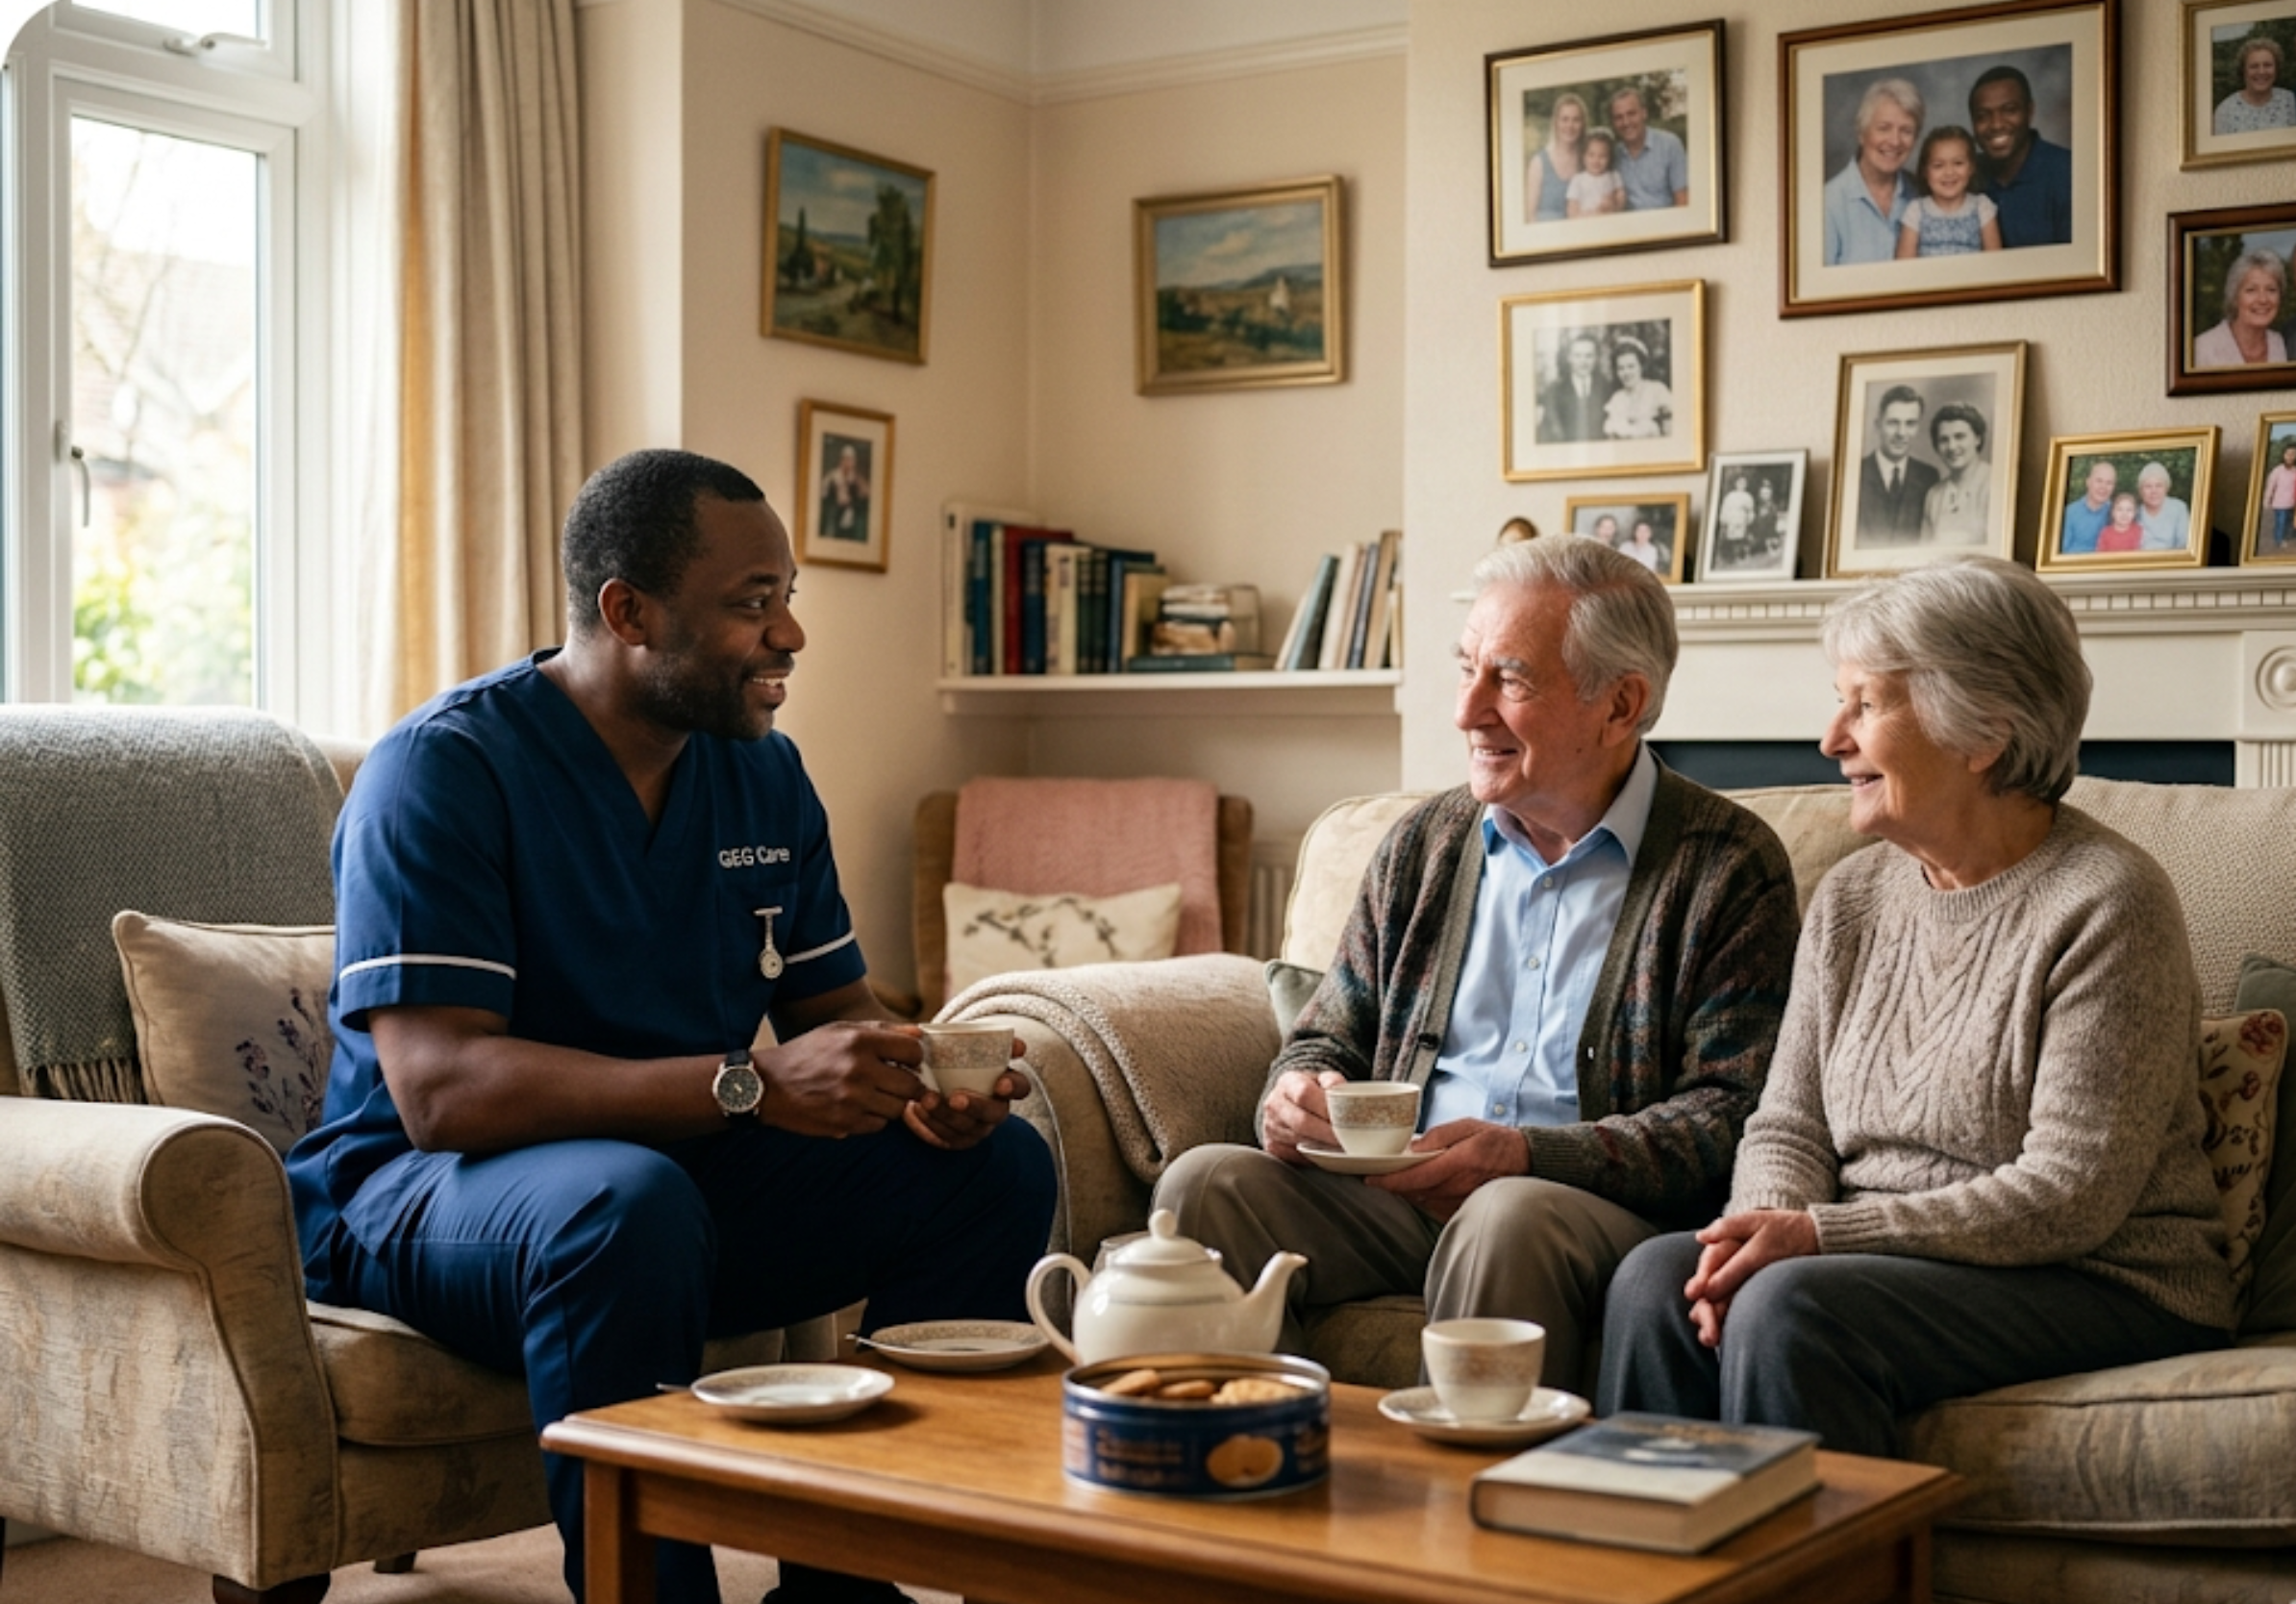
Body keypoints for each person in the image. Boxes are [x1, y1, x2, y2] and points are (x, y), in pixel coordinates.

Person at [287, 449, 1059, 1604]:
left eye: (789, 596)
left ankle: (849, 1583)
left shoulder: (764, 776)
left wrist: (924, 1088)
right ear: (628, 611)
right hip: (423, 1195)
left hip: (673, 1179)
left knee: (994, 1171)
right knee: (621, 1207)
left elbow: (832, 1017)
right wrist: (749, 1089)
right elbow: (442, 1091)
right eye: (754, 603)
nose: (790, 634)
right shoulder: (442, 771)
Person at [1597, 557, 2235, 1460]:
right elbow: (1788, 1125)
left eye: (1865, 704)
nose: (1830, 738)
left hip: (2100, 1278)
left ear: (1981, 733)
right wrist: (1753, 1240)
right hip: (1884, 1260)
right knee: (1656, 1279)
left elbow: (2071, 1196)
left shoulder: (2107, 904)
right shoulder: (1854, 899)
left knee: (1791, 1305)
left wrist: (1815, 1237)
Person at [1150, 537, 1801, 1392]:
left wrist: (1529, 1155)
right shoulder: (1426, 842)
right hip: (1394, 1191)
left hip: (1580, 1210)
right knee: (1206, 1184)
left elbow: (1730, 1116)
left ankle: (1464, 1514)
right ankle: (1249, 1466)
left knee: (1504, 1215)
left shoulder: (1725, 863)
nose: (1467, 711)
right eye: (1466, 670)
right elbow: (1326, 1035)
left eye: (1511, 679)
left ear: (1621, 705)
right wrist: (1296, 1096)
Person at [1969, 65, 2073, 249]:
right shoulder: (1962, 176)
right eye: (1982, 116)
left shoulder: (2068, 172)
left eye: (2009, 110)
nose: (1996, 124)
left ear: (2029, 111)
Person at [1822, 79, 1922, 266]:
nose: (1895, 141)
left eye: (1906, 131)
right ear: (1861, 133)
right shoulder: (1827, 203)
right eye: (1884, 128)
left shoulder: (1921, 194)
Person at [1895, 126, 2001, 258]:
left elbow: (1995, 261)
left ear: (1972, 167)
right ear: (1925, 171)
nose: (1949, 172)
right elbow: (1904, 266)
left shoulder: (1982, 207)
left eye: (1958, 163)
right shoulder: (1916, 210)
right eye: (1938, 165)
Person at [1856, 386, 1939, 544]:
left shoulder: (1929, 476)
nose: (1901, 433)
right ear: (1878, 425)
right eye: (1893, 423)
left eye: (1910, 424)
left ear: (1918, 428)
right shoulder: (1856, 473)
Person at [2193, 249, 2289, 368]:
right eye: (2251, 290)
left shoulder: (2279, 343)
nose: (2263, 299)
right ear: (2234, 297)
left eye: (2271, 290)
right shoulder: (2201, 349)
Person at [1918, 402, 1991, 546]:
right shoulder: (1934, 495)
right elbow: (1924, 552)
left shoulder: (1993, 484)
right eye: (1944, 440)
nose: (1951, 447)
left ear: (1977, 438)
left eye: (1960, 437)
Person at [1610, 86, 1688, 211]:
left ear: (1644, 113)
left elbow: (1683, 201)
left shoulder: (1670, 145)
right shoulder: (1612, 155)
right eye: (1619, 117)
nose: (1626, 122)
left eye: (1631, 114)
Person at [1538, 332, 1611, 443]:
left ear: (1596, 358)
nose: (1583, 361)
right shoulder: (1555, 390)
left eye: (1589, 356)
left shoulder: (1605, 388)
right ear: (1569, 358)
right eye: (1577, 356)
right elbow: (1548, 431)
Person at [2214, 35, 2296, 135]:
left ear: (2276, 69)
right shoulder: (2225, 111)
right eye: (2254, 66)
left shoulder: (2291, 101)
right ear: (2243, 70)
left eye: (2267, 65)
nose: (2261, 72)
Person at [1527, 92, 1588, 222]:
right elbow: (1530, 216)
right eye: (1564, 119)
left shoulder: (1589, 161)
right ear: (1556, 122)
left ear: (1583, 124)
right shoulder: (1539, 162)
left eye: (1576, 120)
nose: (1570, 126)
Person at [1601, 337, 1673, 440]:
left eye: (1631, 366)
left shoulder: (1657, 391)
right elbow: (1611, 440)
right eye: (1621, 368)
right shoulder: (1616, 399)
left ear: (1641, 366)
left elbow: (1670, 434)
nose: (1626, 373)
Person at [2059, 459, 2117, 555]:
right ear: (2088, 482)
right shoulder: (2069, 513)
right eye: (2099, 481)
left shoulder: (2118, 513)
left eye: (2109, 483)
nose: (2103, 487)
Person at [1566, 129, 1626, 218]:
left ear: (1609, 158)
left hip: (1609, 218)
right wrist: (1579, 216)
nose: (1596, 161)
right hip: (1585, 219)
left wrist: (1614, 205)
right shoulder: (1578, 179)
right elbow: (1572, 206)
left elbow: (1621, 197)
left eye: (1602, 156)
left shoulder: (1613, 176)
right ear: (1583, 157)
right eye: (1591, 155)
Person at [2134, 461, 2191, 553]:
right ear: (2141, 491)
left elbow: (2184, 545)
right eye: (2148, 486)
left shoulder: (2179, 508)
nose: (2154, 491)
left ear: (2167, 488)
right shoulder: (2134, 512)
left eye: (2159, 485)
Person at [819, 442, 869, 541]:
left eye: (851, 460)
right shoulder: (832, 477)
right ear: (841, 460)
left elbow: (866, 493)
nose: (848, 463)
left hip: (850, 516)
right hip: (835, 514)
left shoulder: (857, 479)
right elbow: (823, 493)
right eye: (846, 459)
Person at [2263, 441, 2296, 552]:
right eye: (2288, 454)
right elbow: (2270, 487)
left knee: (2288, 522)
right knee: (2280, 522)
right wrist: (2266, 501)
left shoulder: (2295, 471)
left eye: (2293, 454)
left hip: (2291, 503)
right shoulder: (2277, 471)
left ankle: (2287, 537)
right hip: (2279, 504)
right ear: (2283, 455)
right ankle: (2278, 540)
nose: (2290, 456)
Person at [2097, 489, 2146, 553]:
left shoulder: (2139, 530)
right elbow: (2100, 555)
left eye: (2129, 510)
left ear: (2134, 513)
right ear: (2113, 512)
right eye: (2119, 509)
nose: (2124, 514)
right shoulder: (2105, 533)